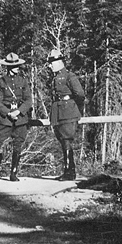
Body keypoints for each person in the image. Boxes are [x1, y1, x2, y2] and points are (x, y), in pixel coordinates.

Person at [0, 52, 33, 183]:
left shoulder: (23, 81)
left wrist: (18, 111)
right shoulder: (1, 82)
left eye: (18, 65)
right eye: (15, 66)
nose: (18, 67)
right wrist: (8, 113)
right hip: (5, 118)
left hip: (20, 118)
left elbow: (28, 100)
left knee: (18, 144)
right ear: (9, 67)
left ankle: (13, 174)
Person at [46, 48, 85, 181]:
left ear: (59, 62)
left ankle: (70, 173)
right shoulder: (55, 78)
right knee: (63, 141)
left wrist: (73, 107)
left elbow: (80, 94)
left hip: (68, 113)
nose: (50, 65)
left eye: (52, 62)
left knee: (67, 141)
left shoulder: (69, 76)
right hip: (58, 113)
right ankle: (68, 171)